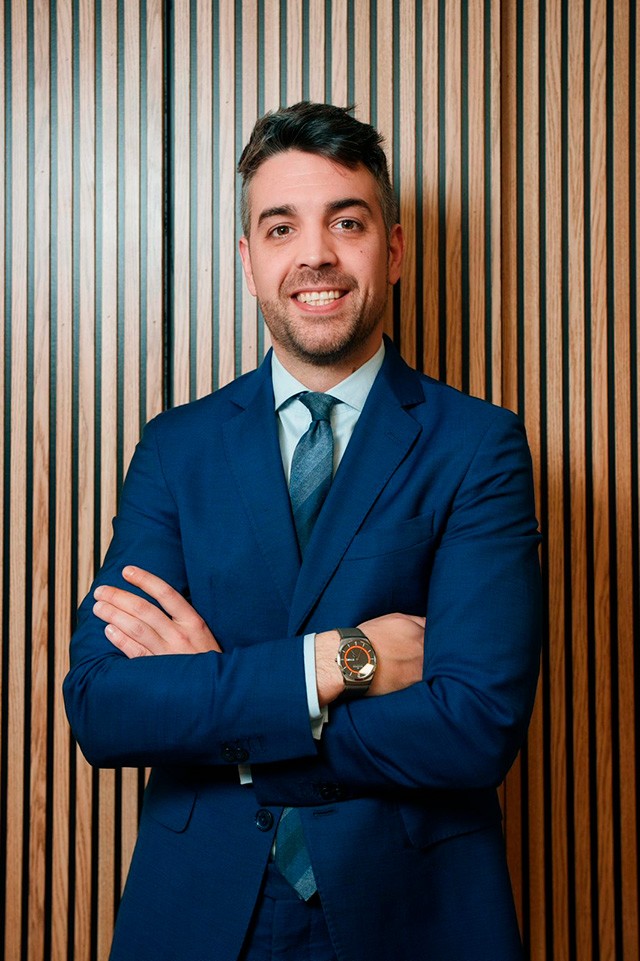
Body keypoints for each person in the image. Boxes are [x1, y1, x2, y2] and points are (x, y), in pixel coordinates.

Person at [64, 101, 541, 961]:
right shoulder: (175, 449)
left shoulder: (479, 446)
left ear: (394, 250)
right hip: (199, 913)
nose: (315, 253)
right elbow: (106, 707)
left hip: (413, 914)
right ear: (249, 262)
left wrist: (223, 712)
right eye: (281, 227)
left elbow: (474, 725)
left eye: (346, 222)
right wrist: (338, 662)